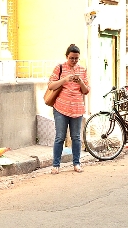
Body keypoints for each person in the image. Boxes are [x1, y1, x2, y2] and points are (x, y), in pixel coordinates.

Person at [47, 44, 89, 174]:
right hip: (61, 107)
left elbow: (86, 90)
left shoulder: (82, 70)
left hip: (77, 108)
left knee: (76, 137)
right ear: (67, 57)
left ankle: (76, 163)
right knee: (60, 137)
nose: (74, 61)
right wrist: (64, 80)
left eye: (76, 58)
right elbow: (51, 85)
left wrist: (80, 81)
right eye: (71, 58)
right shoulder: (59, 68)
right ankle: (56, 164)